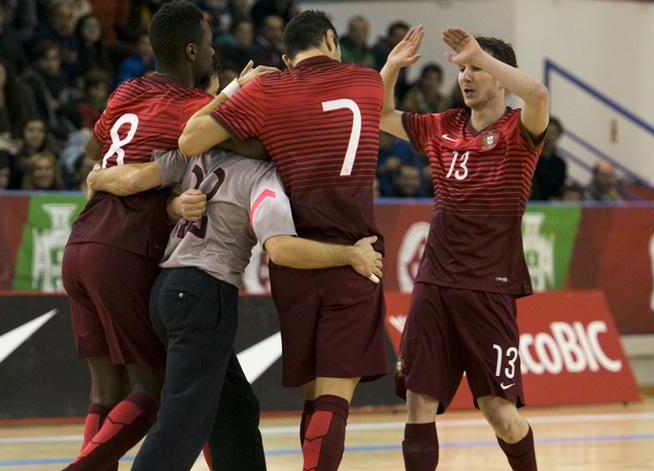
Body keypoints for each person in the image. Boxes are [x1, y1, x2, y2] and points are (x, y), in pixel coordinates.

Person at [86, 145, 383, 471]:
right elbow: (281, 250)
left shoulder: (192, 153)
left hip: (163, 290)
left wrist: (99, 177)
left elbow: (135, 178)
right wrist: (351, 256)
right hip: (203, 293)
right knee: (182, 425)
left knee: (234, 408)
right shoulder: (262, 176)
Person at [180, 10, 389, 471]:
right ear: (332, 40)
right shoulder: (368, 81)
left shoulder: (269, 90)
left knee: (315, 399)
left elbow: (190, 139)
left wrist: (244, 93)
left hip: (293, 260)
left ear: (286, 57)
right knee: (333, 402)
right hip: (354, 255)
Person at [379, 25, 549, 470]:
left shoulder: (519, 129)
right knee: (419, 403)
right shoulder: (444, 126)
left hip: (488, 286)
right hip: (434, 282)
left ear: (499, 76)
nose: (466, 76)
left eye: (476, 68)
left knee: (499, 413)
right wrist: (391, 68)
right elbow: (381, 116)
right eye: (464, 69)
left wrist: (484, 55)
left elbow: (539, 94)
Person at [59, 2, 221, 469]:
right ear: (193, 50)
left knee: (104, 388)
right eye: (208, 45)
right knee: (152, 389)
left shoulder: (127, 89)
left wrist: (115, 175)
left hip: (82, 241)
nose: (211, 52)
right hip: (124, 246)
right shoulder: (194, 109)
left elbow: (94, 152)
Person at [529, 116, 566, 201]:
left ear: (558, 136)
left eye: (553, 133)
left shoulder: (560, 164)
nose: (549, 137)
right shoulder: (530, 159)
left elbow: (560, 189)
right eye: (547, 132)